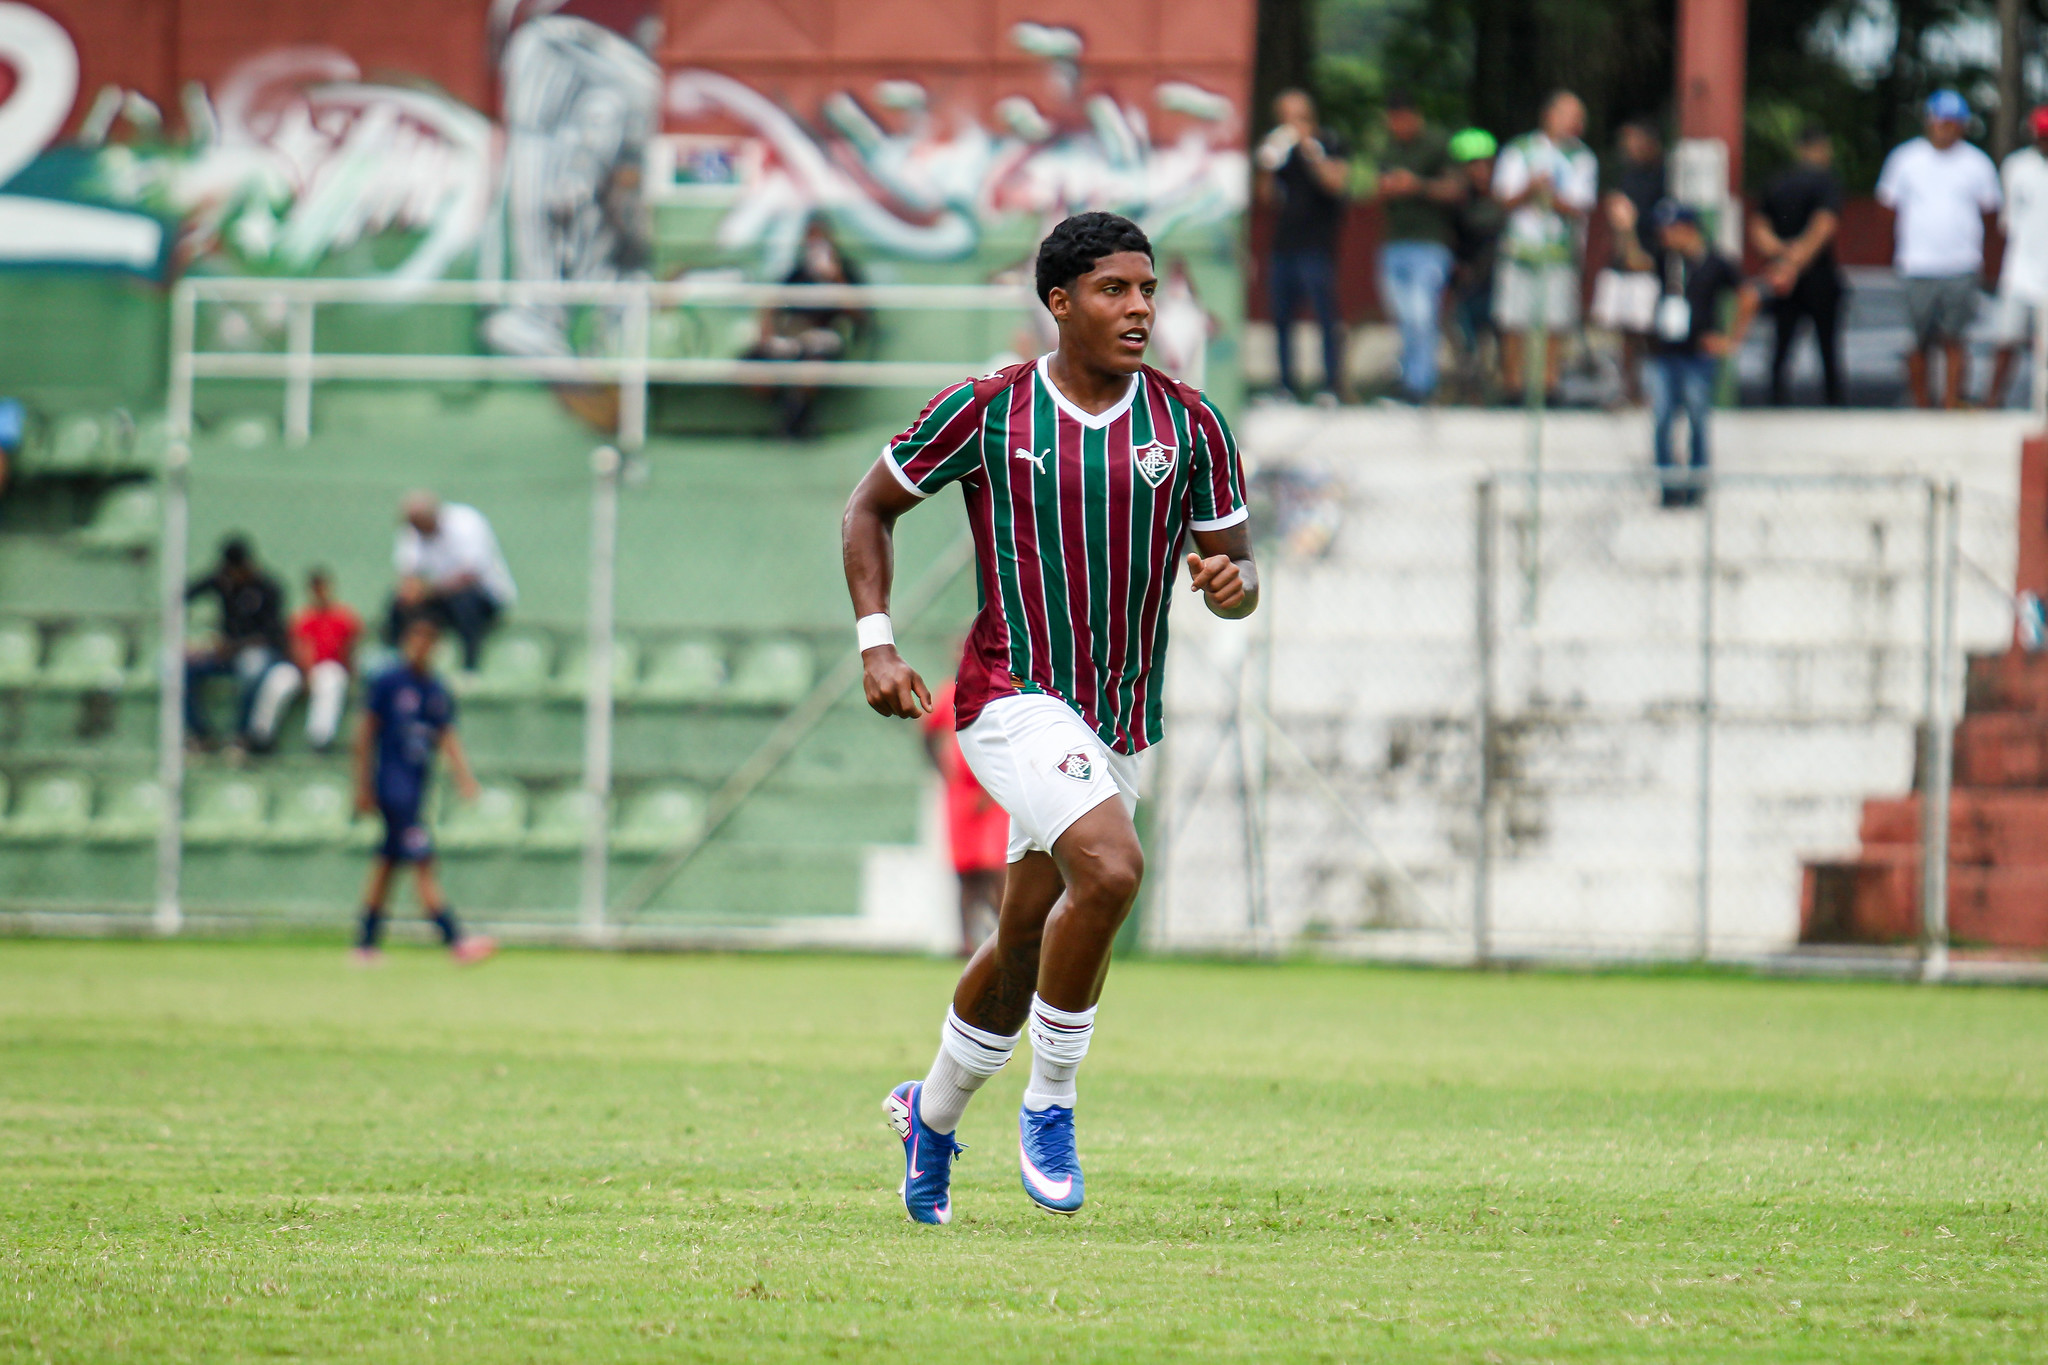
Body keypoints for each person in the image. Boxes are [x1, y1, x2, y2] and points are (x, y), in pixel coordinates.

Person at [842, 211, 1257, 1223]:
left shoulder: (1190, 425)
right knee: (1110, 871)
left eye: (1147, 289)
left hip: (1118, 717)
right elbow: (868, 507)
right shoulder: (989, 410)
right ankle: (1052, 1101)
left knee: (1026, 935)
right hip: (1010, 695)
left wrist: (1228, 583)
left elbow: (1239, 573)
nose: (1140, 308)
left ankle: (930, 1116)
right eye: (1115, 290)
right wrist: (877, 643)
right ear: (1060, 304)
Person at [351, 616, 495, 965]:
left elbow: (447, 736)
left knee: (387, 864)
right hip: (393, 789)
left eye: (427, 642)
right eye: (415, 640)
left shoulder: (435, 690)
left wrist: (464, 778)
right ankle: (456, 940)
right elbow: (365, 733)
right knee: (423, 863)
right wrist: (363, 785)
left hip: (416, 789)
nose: (420, 648)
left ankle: (365, 945)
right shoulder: (388, 683)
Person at [1614, 200, 1759, 508]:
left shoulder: (1716, 262)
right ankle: (1668, 487)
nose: (1664, 237)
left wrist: (1732, 340)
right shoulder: (1666, 260)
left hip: (1698, 354)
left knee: (1696, 418)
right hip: (1664, 352)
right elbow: (1634, 262)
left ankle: (1696, 485)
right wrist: (1626, 230)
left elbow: (1748, 295)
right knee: (1662, 419)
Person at [1876, 90, 2002, 409]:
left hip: (1961, 262)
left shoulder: (1976, 163)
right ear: (1929, 122)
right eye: (1940, 122)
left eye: (1952, 123)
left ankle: (1950, 402)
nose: (1945, 129)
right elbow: (1888, 207)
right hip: (1917, 262)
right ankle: (1922, 403)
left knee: (1955, 337)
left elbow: (1990, 213)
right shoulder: (1906, 159)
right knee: (1918, 339)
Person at [1493, 91, 1599, 401]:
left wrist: (1550, 196)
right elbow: (1503, 198)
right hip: (1520, 248)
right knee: (1514, 319)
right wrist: (1530, 189)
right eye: (1568, 116)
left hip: (1560, 251)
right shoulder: (1519, 150)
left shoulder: (1582, 158)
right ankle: (1513, 385)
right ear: (1549, 116)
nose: (1574, 123)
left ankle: (1549, 384)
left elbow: (1581, 205)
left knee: (1555, 320)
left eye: (1578, 118)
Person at [1258, 88, 1351, 404]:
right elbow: (1267, 198)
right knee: (1281, 317)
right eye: (1285, 117)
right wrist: (1268, 163)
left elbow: (1336, 183)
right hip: (1284, 243)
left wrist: (1312, 152)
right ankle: (1285, 385)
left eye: (1297, 116)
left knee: (1325, 315)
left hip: (1317, 245)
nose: (1291, 123)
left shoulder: (1330, 142)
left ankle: (1331, 385)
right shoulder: (1280, 148)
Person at [1374, 91, 1462, 403]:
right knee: (1402, 316)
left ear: (1413, 116)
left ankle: (1420, 384)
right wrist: (1386, 187)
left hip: (1429, 242)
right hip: (1394, 241)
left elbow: (1456, 189)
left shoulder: (1437, 145)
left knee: (1421, 314)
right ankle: (1407, 376)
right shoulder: (1388, 148)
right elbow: (1374, 188)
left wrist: (1417, 185)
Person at [1751, 125, 1848, 406]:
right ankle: (1832, 399)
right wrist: (1798, 260)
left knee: (1782, 340)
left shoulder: (1777, 181)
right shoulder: (1826, 182)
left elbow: (1758, 226)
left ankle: (1775, 397)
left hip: (1781, 272)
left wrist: (1781, 255)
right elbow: (1823, 225)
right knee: (1827, 343)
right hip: (1817, 272)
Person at [747, 218, 868, 437]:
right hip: (794, 336)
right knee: (755, 365)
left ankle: (795, 420)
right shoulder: (798, 272)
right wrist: (767, 332)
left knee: (812, 366)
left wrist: (836, 278)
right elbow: (772, 304)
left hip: (826, 336)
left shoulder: (846, 270)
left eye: (820, 239)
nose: (815, 246)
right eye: (811, 240)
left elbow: (860, 315)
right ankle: (786, 411)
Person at [184, 535, 292, 751]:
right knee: (183, 667)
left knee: (252, 667)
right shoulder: (225, 583)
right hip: (226, 654)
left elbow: (271, 635)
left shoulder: (268, 588)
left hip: (259, 653)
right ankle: (200, 734)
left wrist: (234, 646)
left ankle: (241, 734)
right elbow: (187, 592)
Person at [922, 677, 1006, 956]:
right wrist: (944, 772)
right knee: (966, 872)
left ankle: (1007, 939)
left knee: (996, 869)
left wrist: (993, 787)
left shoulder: (1003, 691)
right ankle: (967, 944)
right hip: (961, 796)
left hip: (995, 795)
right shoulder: (950, 694)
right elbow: (927, 734)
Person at [388, 492, 517, 671]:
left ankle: (470, 667)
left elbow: (470, 574)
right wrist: (410, 593)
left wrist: (427, 590)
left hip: (483, 596)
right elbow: (408, 571)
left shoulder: (466, 522)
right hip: (438, 597)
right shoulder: (412, 531)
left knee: (465, 603)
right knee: (398, 604)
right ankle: (397, 663)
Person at [248, 568, 362, 754]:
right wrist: (305, 675)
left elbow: (350, 650)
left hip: (328, 668)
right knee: (278, 676)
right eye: (315, 588)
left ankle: (320, 738)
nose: (320, 592)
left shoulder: (344, 617)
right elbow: (297, 649)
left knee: (330, 677)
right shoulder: (302, 617)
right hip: (301, 670)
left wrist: (352, 675)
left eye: (322, 587)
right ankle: (261, 735)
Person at [1593, 120, 1667, 405]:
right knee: (1625, 328)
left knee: (1650, 328)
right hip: (1624, 260)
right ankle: (1630, 388)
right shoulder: (1626, 176)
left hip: (1651, 260)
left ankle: (1658, 389)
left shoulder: (1664, 178)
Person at [1989, 107, 2048, 408]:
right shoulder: (2017, 167)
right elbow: (2008, 222)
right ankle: (1993, 400)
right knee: (2006, 339)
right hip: (2021, 271)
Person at [1448, 128, 1505, 399]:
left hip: (1499, 276)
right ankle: (1471, 385)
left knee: (1502, 333)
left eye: (1486, 165)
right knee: (1466, 332)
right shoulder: (1458, 201)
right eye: (1474, 165)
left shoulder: (1504, 198)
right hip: (1470, 278)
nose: (1480, 171)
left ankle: (1503, 384)